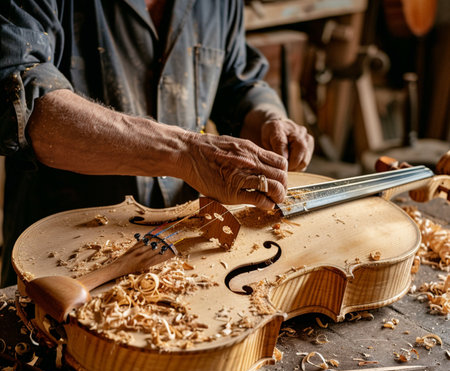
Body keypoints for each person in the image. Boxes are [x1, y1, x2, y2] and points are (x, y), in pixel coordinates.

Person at [0, 0, 314, 287]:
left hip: (183, 249)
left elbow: (238, 80)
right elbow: (25, 104)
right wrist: (185, 152)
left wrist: (268, 118)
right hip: (66, 256)